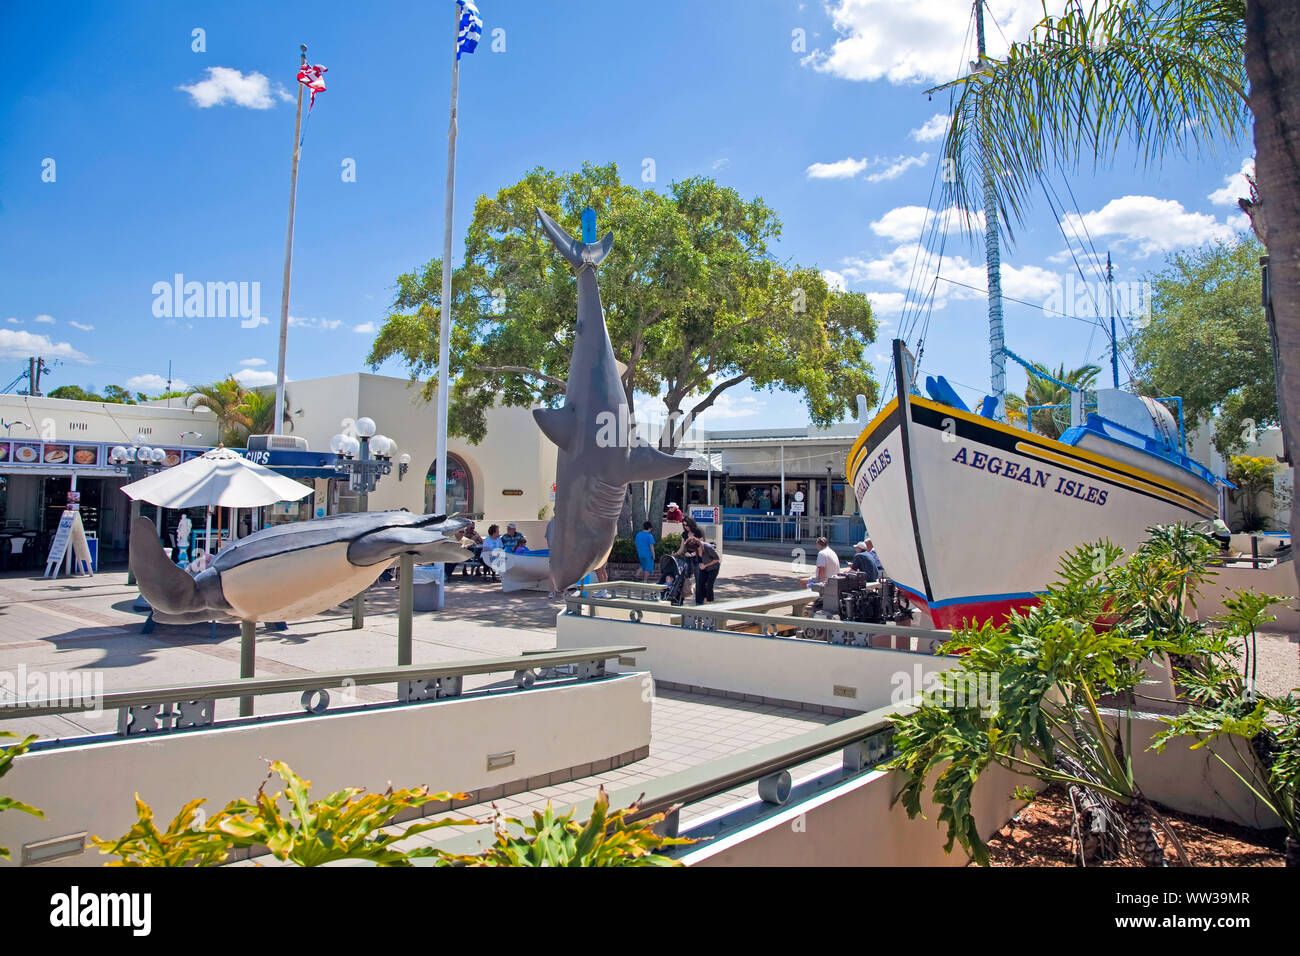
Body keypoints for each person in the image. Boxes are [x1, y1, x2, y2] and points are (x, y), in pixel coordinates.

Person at [691, 536, 721, 604]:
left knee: (708, 585)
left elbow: (716, 559)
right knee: (700, 584)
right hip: (704, 568)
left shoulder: (708, 547)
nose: (696, 550)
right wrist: (700, 564)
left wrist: (705, 565)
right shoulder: (696, 549)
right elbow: (699, 559)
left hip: (713, 568)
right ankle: (704, 600)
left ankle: (709, 602)